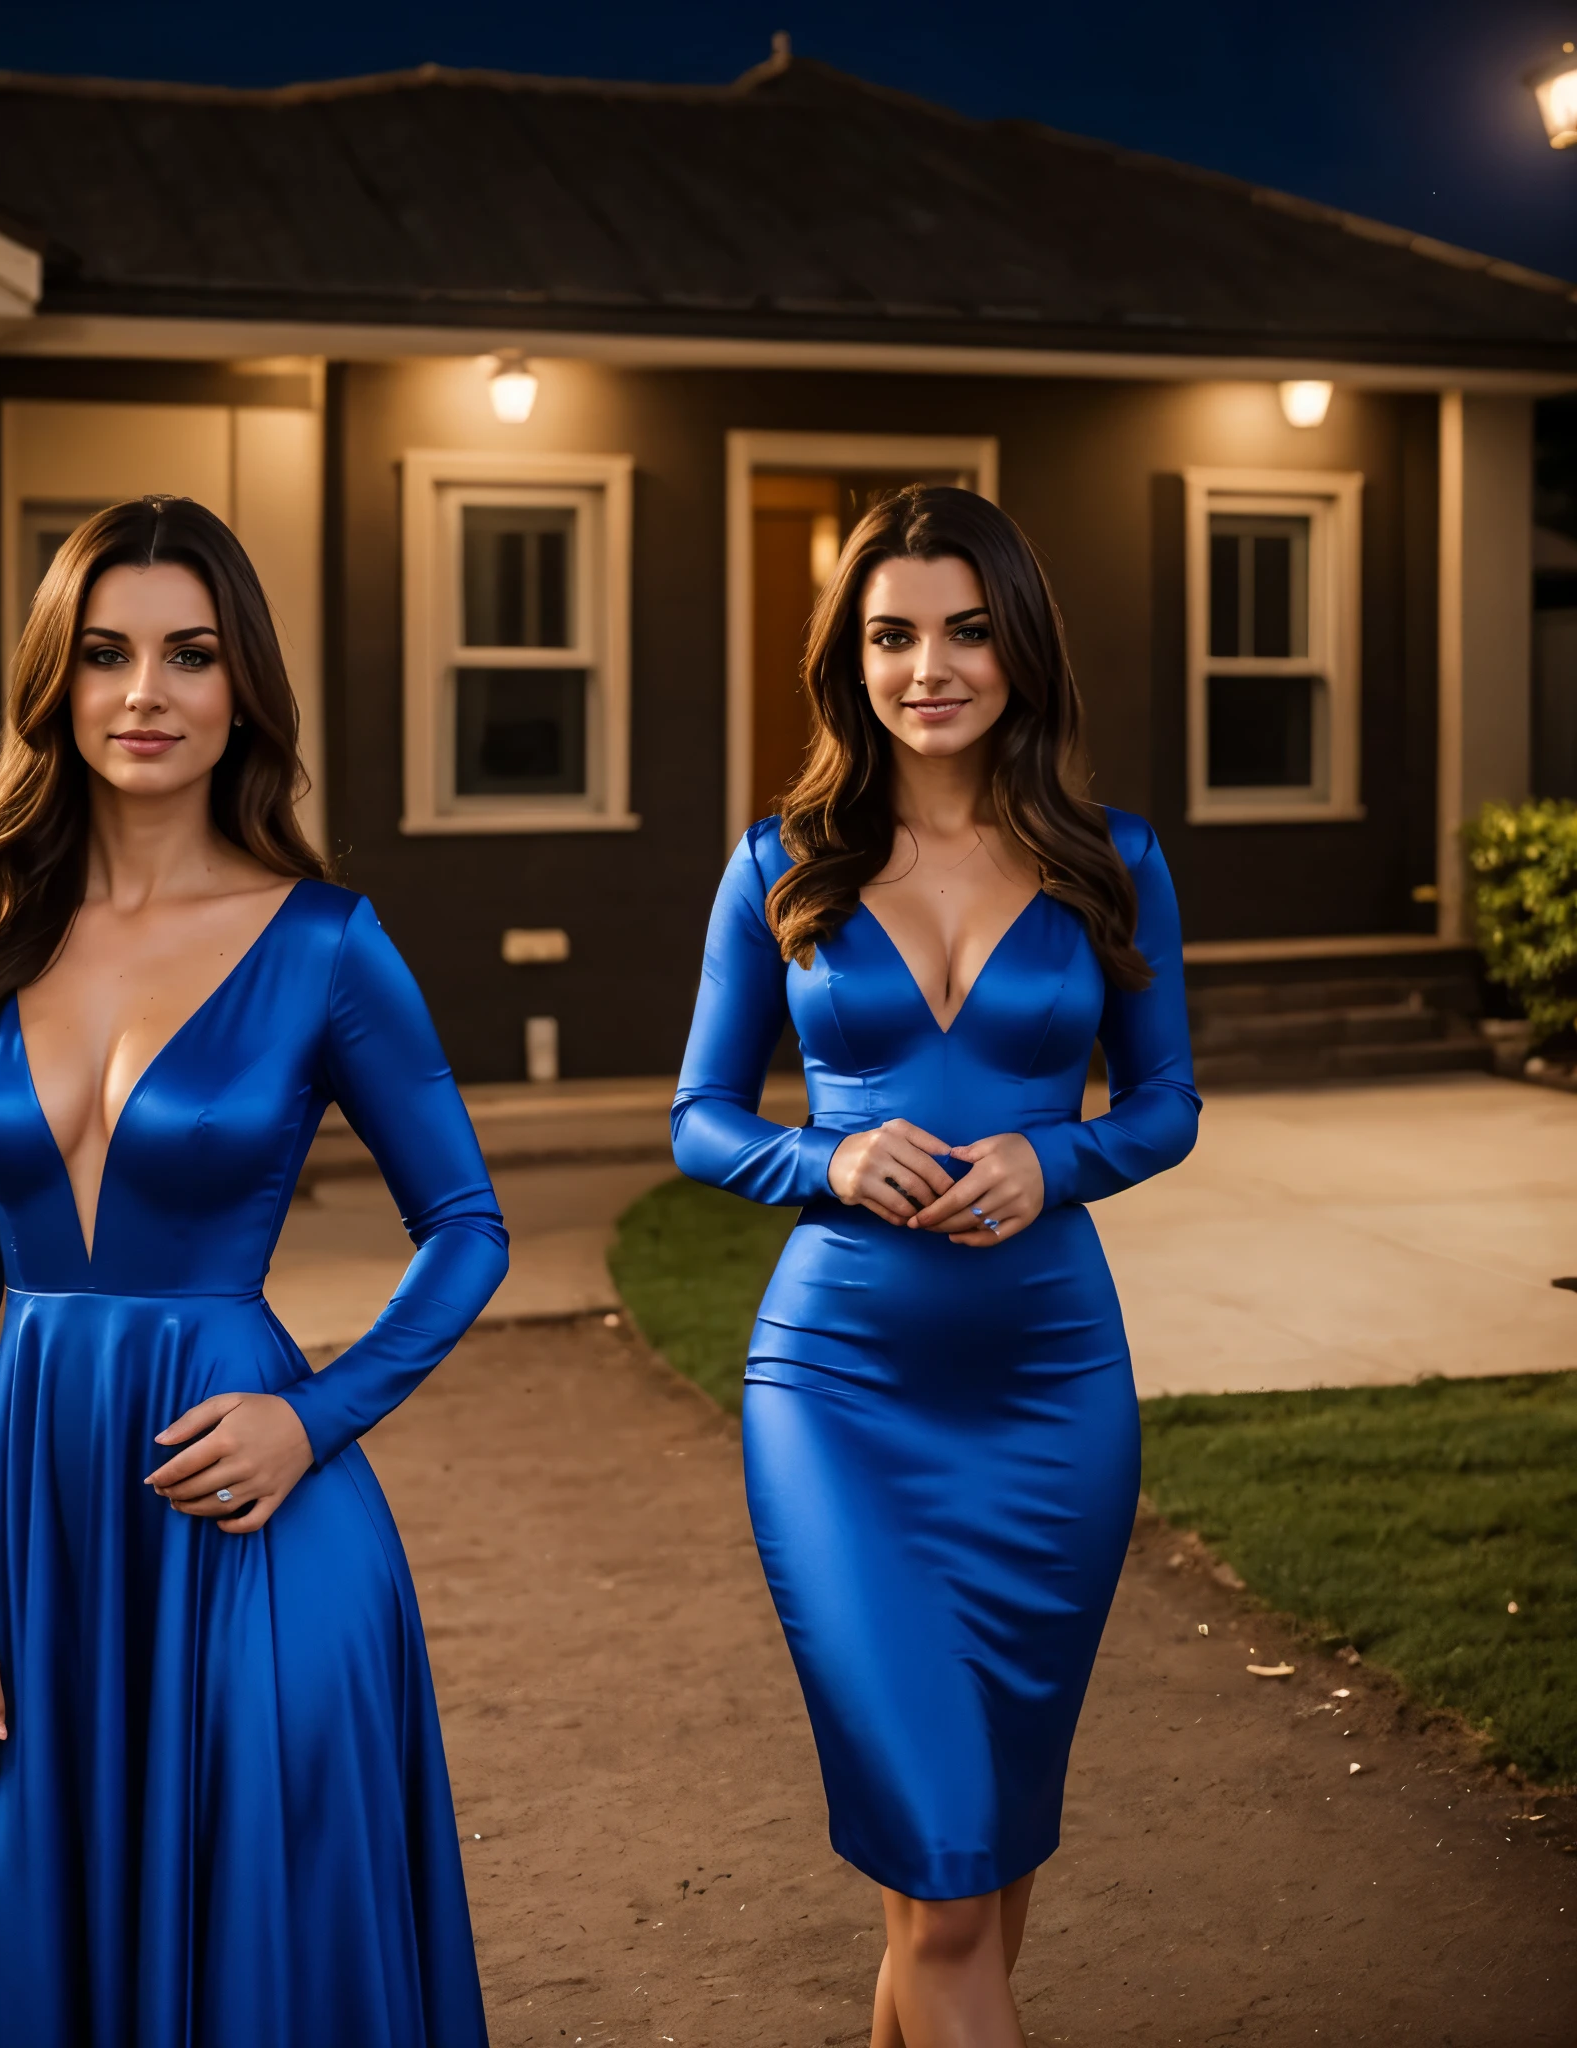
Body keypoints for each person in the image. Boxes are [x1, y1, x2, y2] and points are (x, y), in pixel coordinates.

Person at [0, 495, 507, 2047]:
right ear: (56, 686)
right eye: (105, 655)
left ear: (242, 690)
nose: (145, 694)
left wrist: (320, 1414)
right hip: (36, 1527)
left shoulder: (328, 945)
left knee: (262, 1956)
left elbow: (469, 1227)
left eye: (189, 654)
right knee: (24, 1932)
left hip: (255, 1522)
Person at [672, 484, 1198, 2048]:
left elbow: (1165, 1103)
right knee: (952, 1892)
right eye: (894, 634)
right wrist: (818, 1156)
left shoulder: (1117, 860)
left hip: (1054, 1393)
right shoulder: (782, 863)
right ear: (851, 658)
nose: (931, 666)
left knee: (984, 1857)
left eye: (967, 629)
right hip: (841, 1393)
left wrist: (1063, 1154)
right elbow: (700, 1119)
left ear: (1020, 646)